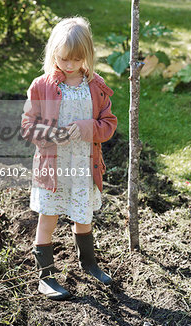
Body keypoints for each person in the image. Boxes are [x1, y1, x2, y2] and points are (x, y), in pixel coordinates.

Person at [21, 16, 118, 300]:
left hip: (83, 166)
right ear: (53, 53)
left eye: (77, 59)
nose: (69, 65)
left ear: (86, 56)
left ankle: (88, 263)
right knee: (48, 217)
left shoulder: (96, 87)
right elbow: (28, 126)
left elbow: (108, 124)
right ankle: (46, 276)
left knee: (82, 214)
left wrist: (87, 129)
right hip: (53, 168)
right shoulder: (41, 86)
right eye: (63, 59)